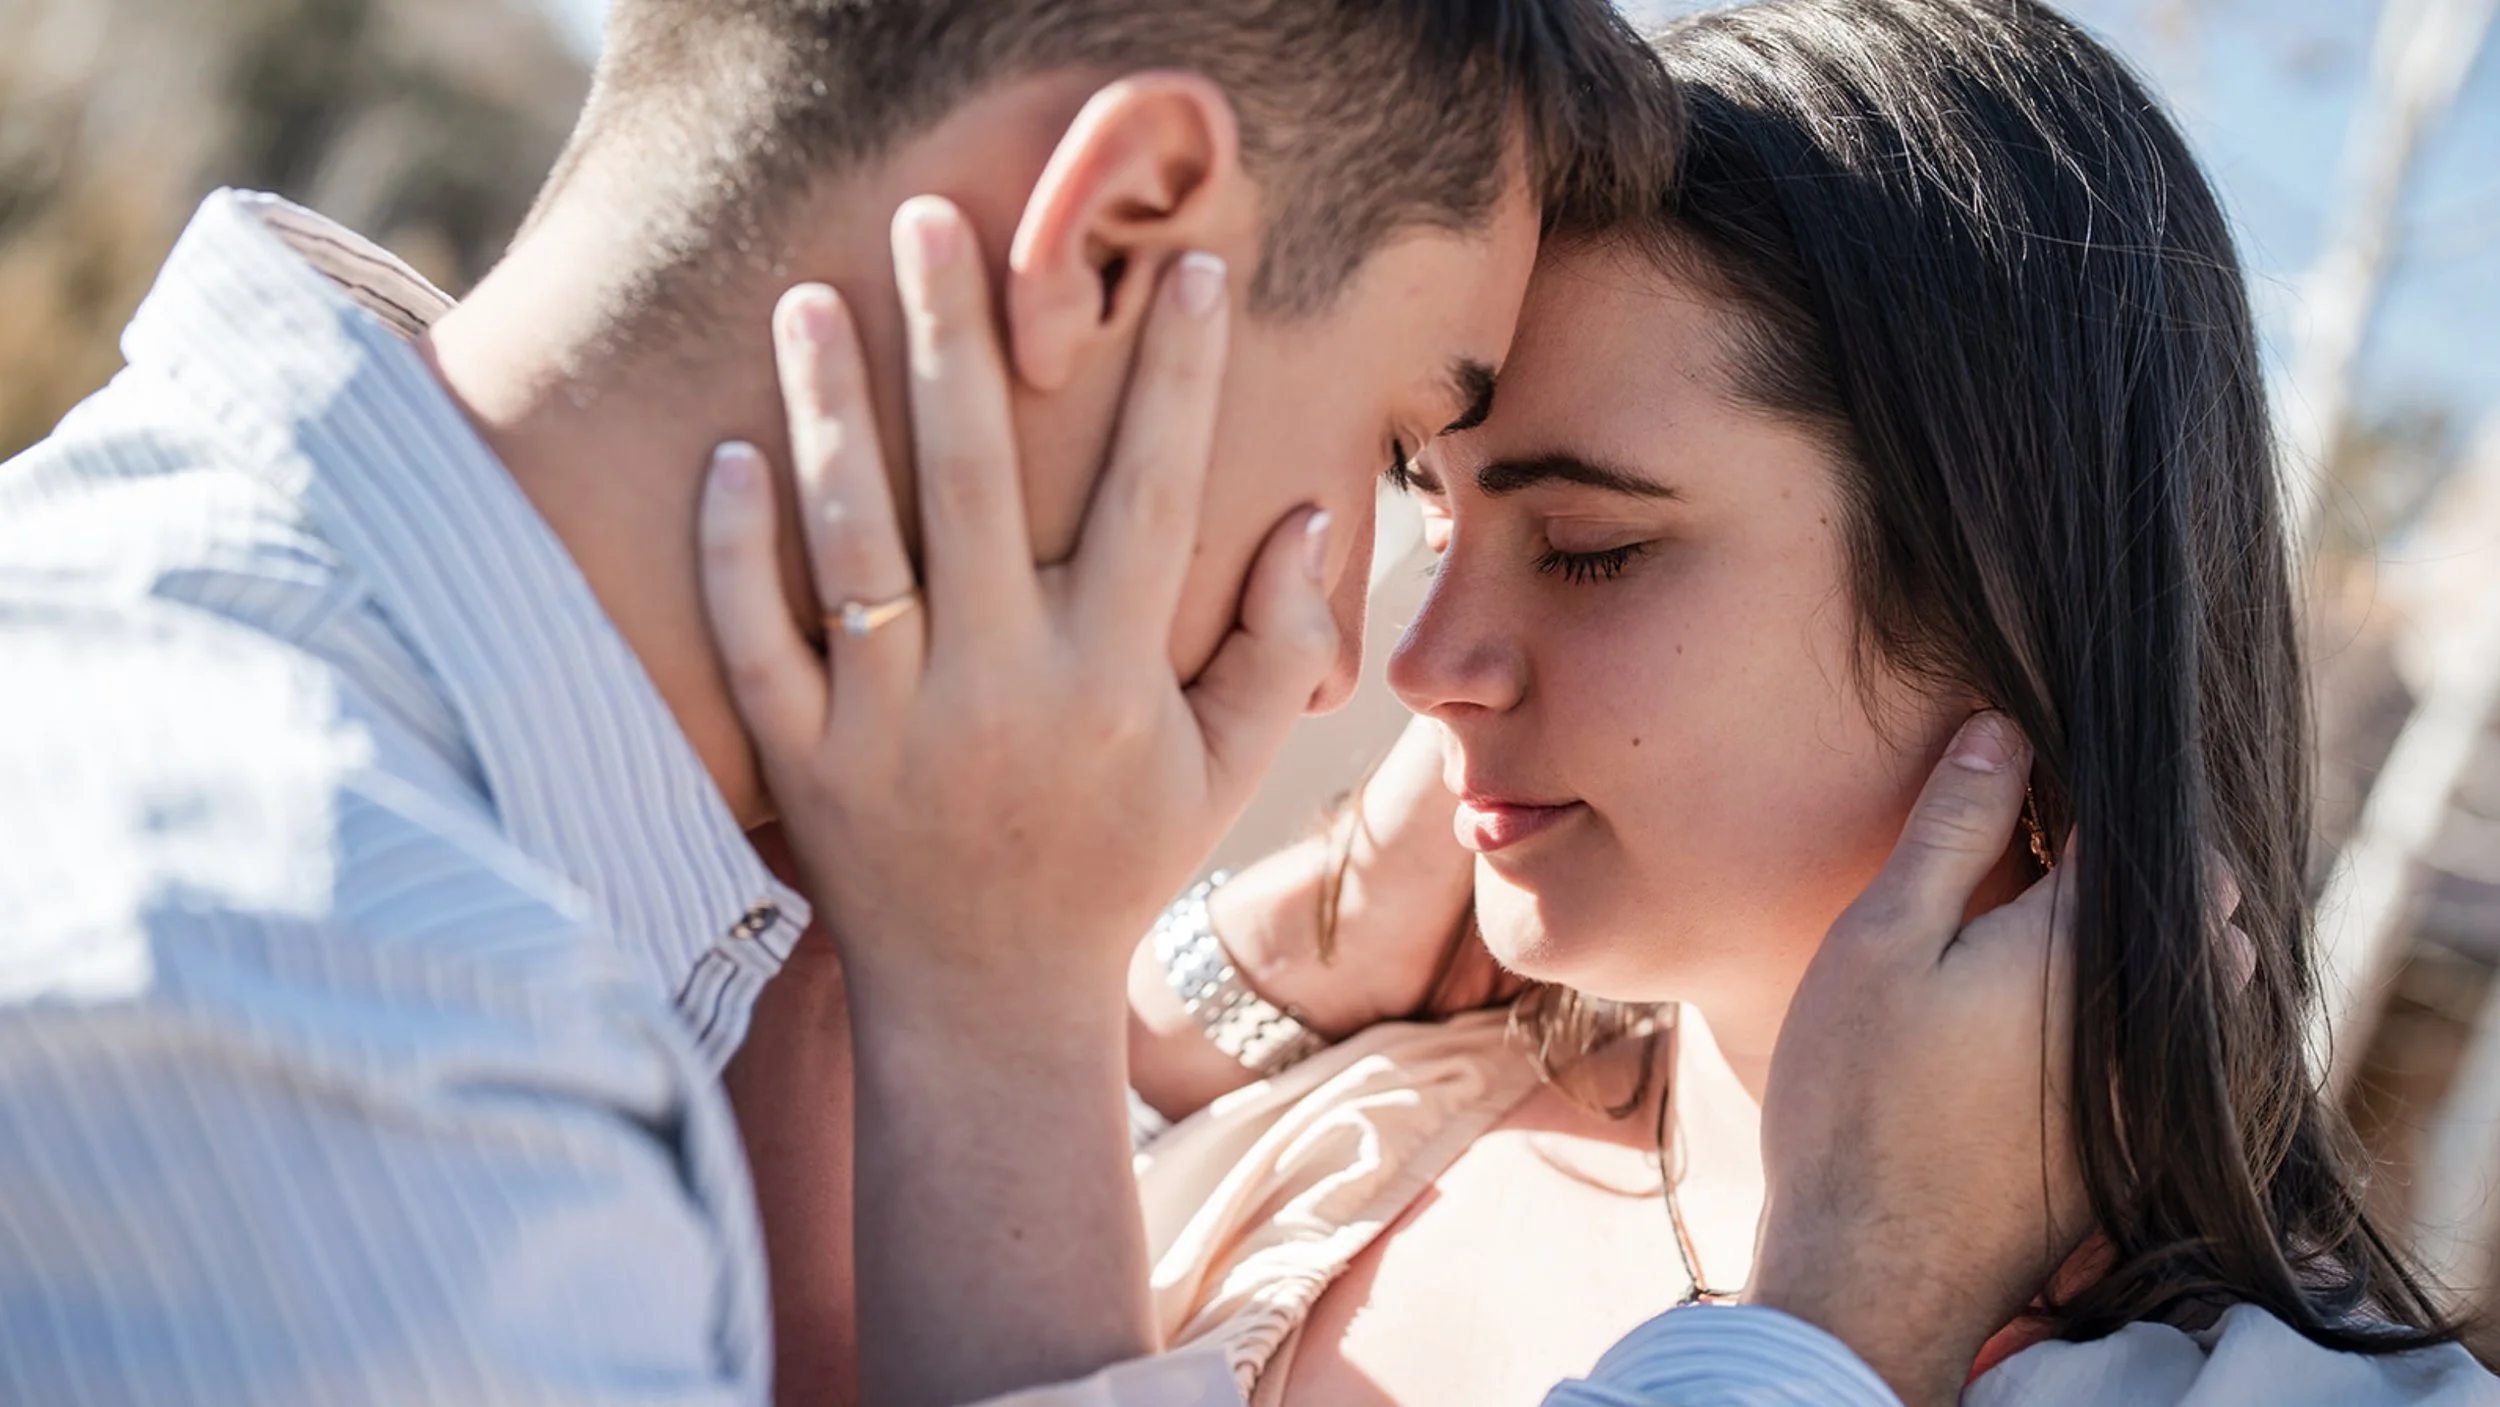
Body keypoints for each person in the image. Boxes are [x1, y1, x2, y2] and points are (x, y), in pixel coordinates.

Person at [700, 1, 2500, 1404]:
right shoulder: (1360, 1129)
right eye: (1435, 502)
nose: (1420, 664)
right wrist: (1267, 957)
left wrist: (1848, 1299)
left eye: (1585, 549)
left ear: (2013, 603)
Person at [0, 1, 1683, 1401]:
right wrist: (1808, 1338)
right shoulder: (367, 1060)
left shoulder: (188, 669)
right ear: (1110, 242)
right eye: (1396, 450)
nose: (1336, 662)